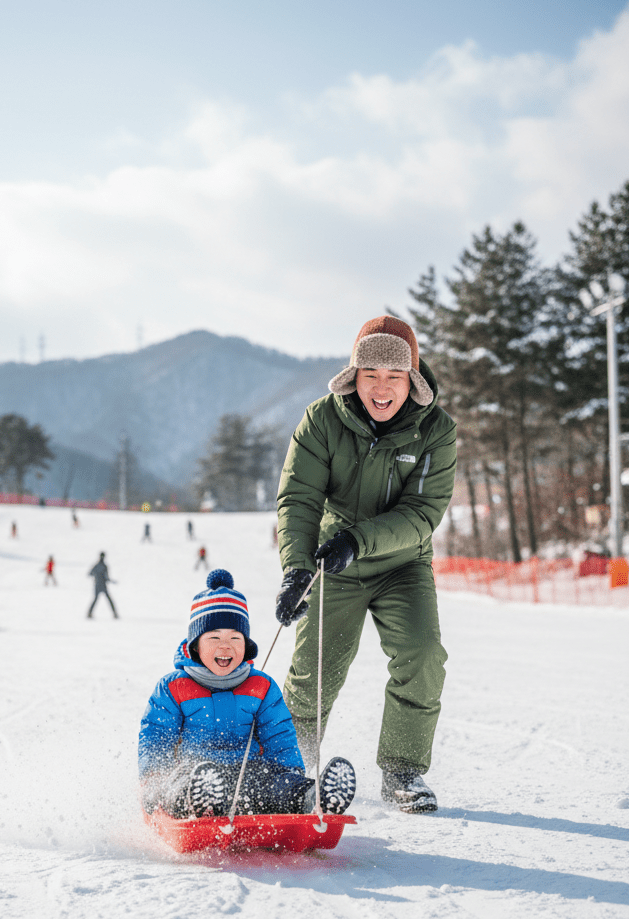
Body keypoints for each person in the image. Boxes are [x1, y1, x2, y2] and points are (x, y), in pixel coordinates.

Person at [274, 315, 457, 814]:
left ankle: (402, 769)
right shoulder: (322, 420)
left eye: (393, 376)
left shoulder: (436, 431)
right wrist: (296, 569)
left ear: (412, 382)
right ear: (354, 376)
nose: (381, 388)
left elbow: (421, 514)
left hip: (402, 564)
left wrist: (359, 539)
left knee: (422, 654)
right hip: (334, 563)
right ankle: (289, 767)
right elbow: (300, 498)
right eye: (369, 374)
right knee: (315, 668)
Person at [139, 569, 356, 818]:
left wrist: (290, 773)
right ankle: (203, 803)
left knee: (277, 787)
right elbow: (156, 735)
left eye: (235, 637)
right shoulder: (172, 687)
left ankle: (313, 799)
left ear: (246, 645)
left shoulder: (261, 686)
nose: (225, 645)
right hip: (192, 771)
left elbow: (279, 733)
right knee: (176, 788)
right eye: (214, 637)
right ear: (195, 645)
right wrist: (152, 781)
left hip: (249, 773)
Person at [88, 552, 118, 618]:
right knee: (109, 600)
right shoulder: (104, 566)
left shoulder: (96, 565)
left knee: (96, 600)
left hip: (97, 585)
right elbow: (106, 577)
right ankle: (115, 613)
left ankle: (89, 613)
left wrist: (96, 576)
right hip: (103, 585)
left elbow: (90, 573)